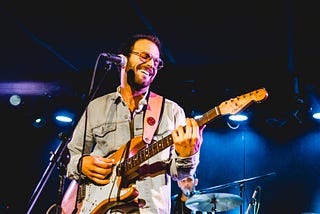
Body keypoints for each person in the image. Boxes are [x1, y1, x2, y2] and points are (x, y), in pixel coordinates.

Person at [65, 33, 206, 214]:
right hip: (100, 209)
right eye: (145, 56)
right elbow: (72, 157)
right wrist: (82, 164)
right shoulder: (96, 107)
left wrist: (188, 156)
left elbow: (180, 173)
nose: (151, 65)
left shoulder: (172, 111)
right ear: (123, 59)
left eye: (156, 62)